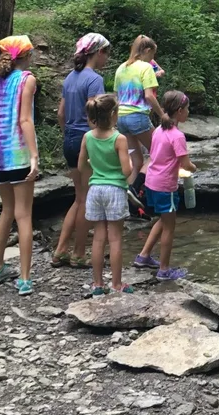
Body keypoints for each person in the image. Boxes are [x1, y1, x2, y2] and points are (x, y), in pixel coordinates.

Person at [0, 35, 39, 296]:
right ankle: (25, 278)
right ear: (26, 56)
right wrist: (34, 157)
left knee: (7, 210)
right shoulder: (27, 80)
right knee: (23, 215)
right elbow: (25, 120)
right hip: (17, 157)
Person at [53, 33, 109, 269]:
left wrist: (69, 136)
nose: (107, 58)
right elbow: (96, 118)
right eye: (106, 53)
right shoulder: (94, 80)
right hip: (87, 142)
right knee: (86, 200)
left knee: (79, 198)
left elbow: (60, 114)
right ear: (98, 53)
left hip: (70, 141)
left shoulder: (69, 78)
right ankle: (77, 253)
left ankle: (60, 251)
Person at [132, 91, 195, 280]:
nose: (189, 112)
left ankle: (143, 256)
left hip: (151, 182)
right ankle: (165, 270)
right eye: (187, 109)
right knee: (169, 226)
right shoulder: (177, 136)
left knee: (162, 220)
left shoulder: (159, 130)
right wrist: (193, 167)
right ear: (180, 111)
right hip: (165, 186)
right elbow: (185, 164)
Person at [78, 93, 134, 295]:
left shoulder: (87, 137)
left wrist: (96, 167)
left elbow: (81, 165)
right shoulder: (119, 139)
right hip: (115, 190)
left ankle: (98, 284)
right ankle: (117, 284)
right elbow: (126, 171)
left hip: (95, 190)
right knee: (116, 238)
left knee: (98, 238)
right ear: (113, 114)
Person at [114, 35, 165, 175]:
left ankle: (132, 192)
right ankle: (140, 187)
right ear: (147, 50)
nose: (152, 58)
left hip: (121, 119)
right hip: (137, 117)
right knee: (159, 151)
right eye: (153, 54)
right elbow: (148, 95)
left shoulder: (121, 68)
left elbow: (116, 96)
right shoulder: (146, 67)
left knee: (136, 161)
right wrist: (162, 115)